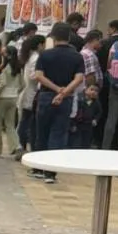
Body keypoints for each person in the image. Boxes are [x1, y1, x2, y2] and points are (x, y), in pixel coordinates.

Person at [31, 21, 84, 182]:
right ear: (69, 37)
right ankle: (50, 173)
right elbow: (79, 78)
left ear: (53, 36)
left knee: (42, 132)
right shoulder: (77, 56)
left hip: (46, 96)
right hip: (66, 99)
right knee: (58, 133)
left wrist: (56, 89)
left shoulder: (45, 55)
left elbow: (39, 76)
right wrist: (64, 92)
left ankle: (38, 168)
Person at [0, 41, 23, 157]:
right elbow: (24, 84)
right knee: (10, 124)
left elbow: (2, 84)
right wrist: (16, 92)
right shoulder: (18, 68)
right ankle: (17, 146)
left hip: (2, 98)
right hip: (13, 98)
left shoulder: (3, 68)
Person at [100, 24, 118, 153]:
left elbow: (108, 64)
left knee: (111, 119)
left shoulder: (117, 45)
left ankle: (105, 148)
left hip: (115, 85)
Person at [15, 33, 45, 156]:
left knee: (24, 121)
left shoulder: (28, 57)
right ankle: (21, 147)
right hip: (31, 93)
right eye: (43, 44)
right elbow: (34, 76)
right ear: (39, 45)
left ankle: (21, 146)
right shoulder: (36, 58)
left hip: (27, 92)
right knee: (27, 122)